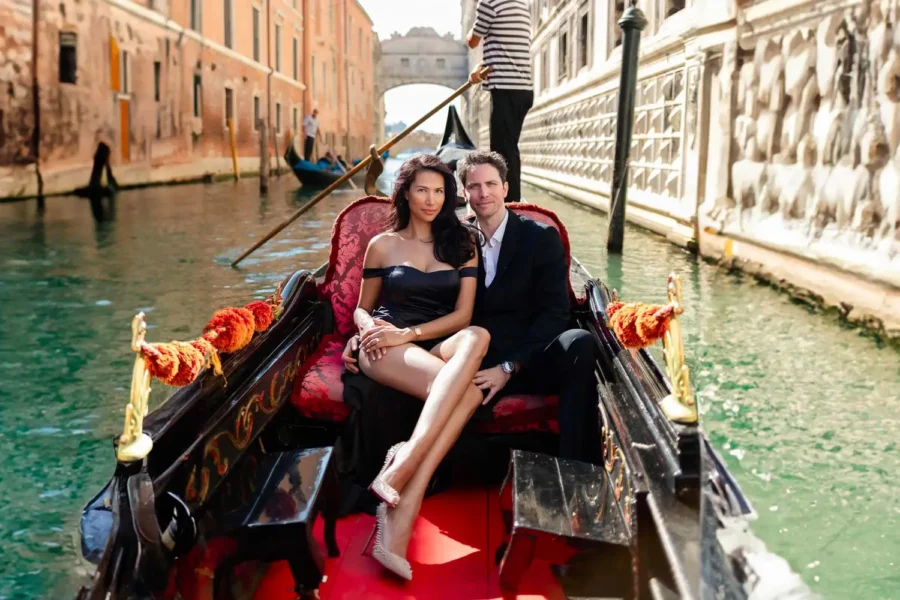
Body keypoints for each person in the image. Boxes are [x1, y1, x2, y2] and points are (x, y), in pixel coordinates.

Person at [345, 154, 490, 581]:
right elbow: (360, 309)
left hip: (429, 339)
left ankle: (404, 461)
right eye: (423, 190)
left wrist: (409, 335)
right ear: (405, 192)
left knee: (478, 337)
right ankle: (400, 513)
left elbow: (463, 317)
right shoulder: (383, 244)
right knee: (469, 393)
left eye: (440, 191)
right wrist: (372, 330)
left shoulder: (462, 244)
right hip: (384, 345)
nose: (431, 200)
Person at [459, 150, 600, 463]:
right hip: (479, 358)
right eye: (474, 186)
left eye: (491, 184)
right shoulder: (457, 240)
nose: (484, 193)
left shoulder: (540, 238)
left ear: (506, 188)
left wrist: (510, 367)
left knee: (580, 343)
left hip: (531, 356)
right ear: (464, 192)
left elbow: (555, 312)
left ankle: (576, 467)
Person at [467, 0, 534, 203]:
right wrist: (481, 67)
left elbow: (472, 41)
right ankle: (511, 202)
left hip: (506, 89)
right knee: (510, 149)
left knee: (502, 153)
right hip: (523, 90)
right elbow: (505, 47)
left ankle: (509, 205)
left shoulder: (489, 3)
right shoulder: (521, 5)